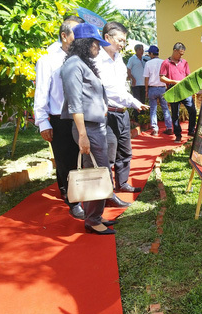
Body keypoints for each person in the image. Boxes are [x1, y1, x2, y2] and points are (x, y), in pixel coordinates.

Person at [60, 23, 118, 235]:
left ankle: (95, 215)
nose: (98, 48)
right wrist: (83, 135)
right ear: (85, 43)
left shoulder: (82, 64)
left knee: (99, 171)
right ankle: (92, 220)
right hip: (88, 129)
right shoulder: (73, 65)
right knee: (98, 172)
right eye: (95, 43)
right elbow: (75, 103)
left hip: (96, 127)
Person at [34, 15, 85, 219]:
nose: (81, 37)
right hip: (60, 119)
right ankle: (74, 202)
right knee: (66, 161)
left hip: (81, 116)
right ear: (64, 36)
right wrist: (43, 122)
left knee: (83, 158)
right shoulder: (48, 60)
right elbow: (41, 93)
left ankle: (81, 192)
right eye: (76, 33)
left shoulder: (82, 57)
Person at [96, 22, 149, 206]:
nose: (122, 44)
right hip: (107, 113)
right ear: (107, 38)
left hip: (122, 112)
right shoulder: (96, 60)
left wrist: (131, 103)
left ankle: (123, 183)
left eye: (124, 41)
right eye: (120, 40)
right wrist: (134, 102)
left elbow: (122, 86)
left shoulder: (119, 59)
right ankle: (107, 194)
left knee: (125, 151)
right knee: (108, 155)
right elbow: (110, 89)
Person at [160, 42, 197, 143]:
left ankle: (191, 130)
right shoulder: (165, 63)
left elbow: (188, 76)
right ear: (174, 51)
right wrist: (173, 81)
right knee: (175, 114)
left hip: (184, 89)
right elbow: (162, 78)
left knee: (192, 110)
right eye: (180, 53)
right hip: (173, 90)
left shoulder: (184, 62)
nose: (181, 56)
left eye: (182, 54)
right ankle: (178, 135)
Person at [143, 45, 173, 136]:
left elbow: (146, 78)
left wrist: (146, 90)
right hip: (162, 88)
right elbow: (167, 76)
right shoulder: (164, 62)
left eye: (149, 53)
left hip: (152, 88)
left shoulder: (148, 63)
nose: (148, 55)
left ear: (151, 54)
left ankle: (155, 129)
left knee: (153, 109)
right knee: (165, 108)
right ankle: (169, 127)